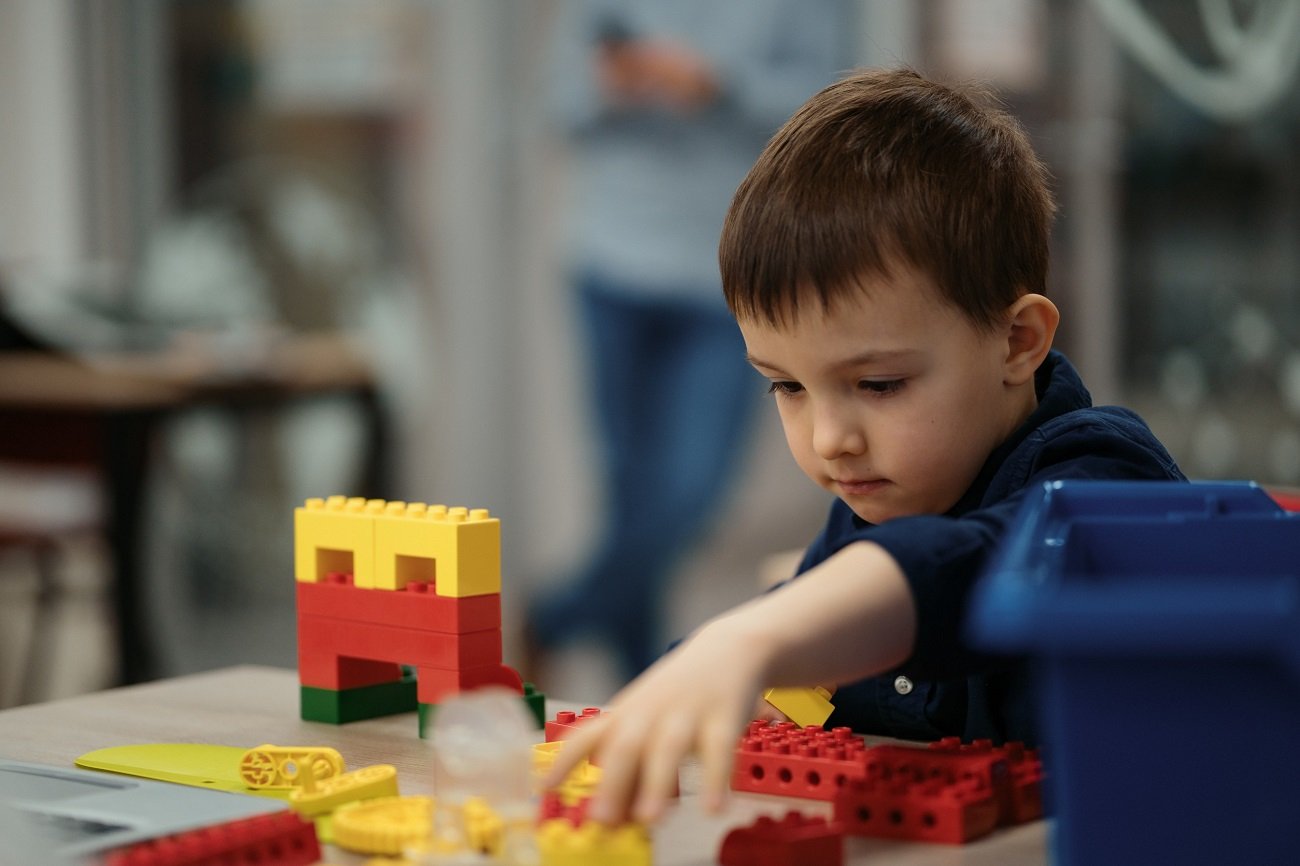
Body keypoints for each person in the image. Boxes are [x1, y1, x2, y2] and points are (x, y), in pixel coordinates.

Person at [545, 67, 1186, 825]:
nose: (829, 440)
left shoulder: (1104, 484)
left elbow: (966, 573)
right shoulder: (879, 503)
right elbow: (806, 666)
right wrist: (724, 675)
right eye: (787, 386)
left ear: (1018, 342)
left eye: (878, 385)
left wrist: (756, 637)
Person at [527, 0, 854, 682]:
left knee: (686, 496)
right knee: (630, 500)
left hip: (726, 275)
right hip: (610, 264)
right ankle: (640, 701)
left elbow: (833, 107)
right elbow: (558, 104)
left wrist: (717, 86)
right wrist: (612, 84)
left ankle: (555, 616)